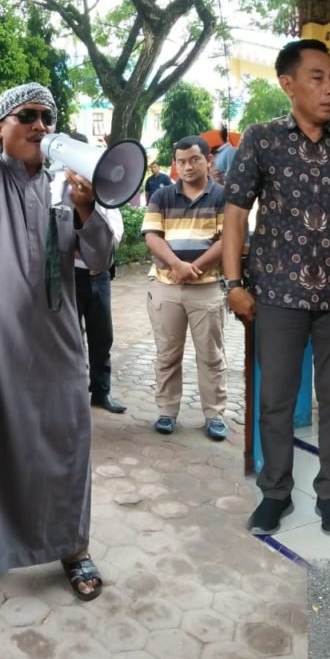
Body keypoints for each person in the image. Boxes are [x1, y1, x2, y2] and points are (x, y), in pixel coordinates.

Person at [0, 0, 115, 605]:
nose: (41, 126)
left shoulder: (68, 187)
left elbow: (98, 260)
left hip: (55, 347)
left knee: (64, 444)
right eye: (28, 117)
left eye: (48, 118)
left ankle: (73, 546)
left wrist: (89, 210)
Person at [222, 39, 330, 537]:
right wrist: (233, 283)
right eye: (317, 78)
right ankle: (275, 493)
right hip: (277, 296)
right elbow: (235, 212)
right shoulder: (262, 139)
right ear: (288, 84)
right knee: (275, 399)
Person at [142, 135, 228, 439]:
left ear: (208, 160)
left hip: (207, 288)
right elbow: (152, 236)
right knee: (167, 353)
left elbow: (228, 239)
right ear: (175, 164)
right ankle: (166, 412)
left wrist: (194, 268)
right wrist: (177, 265)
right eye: (181, 161)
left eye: (194, 159)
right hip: (166, 287)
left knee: (211, 355)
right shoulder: (162, 196)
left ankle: (214, 415)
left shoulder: (223, 196)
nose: (188, 167)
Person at [61, 132, 127, 414]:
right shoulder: (56, 192)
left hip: (99, 277)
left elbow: (114, 238)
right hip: (70, 278)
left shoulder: (103, 192)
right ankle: (72, 394)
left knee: (102, 337)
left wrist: (89, 246)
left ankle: (101, 392)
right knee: (70, 338)